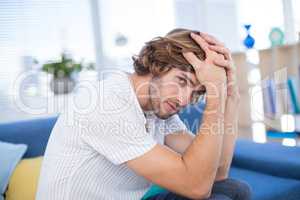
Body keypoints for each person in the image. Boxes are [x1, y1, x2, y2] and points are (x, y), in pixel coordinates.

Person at [36, 28, 251, 200]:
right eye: (182, 81)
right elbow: (197, 187)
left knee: (234, 189)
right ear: (157, 65)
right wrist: (214, 94)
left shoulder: (157, 108)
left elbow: (218, 173)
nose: (184, 100)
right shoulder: (107, 103)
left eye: (196, 92)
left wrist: (230, 96)